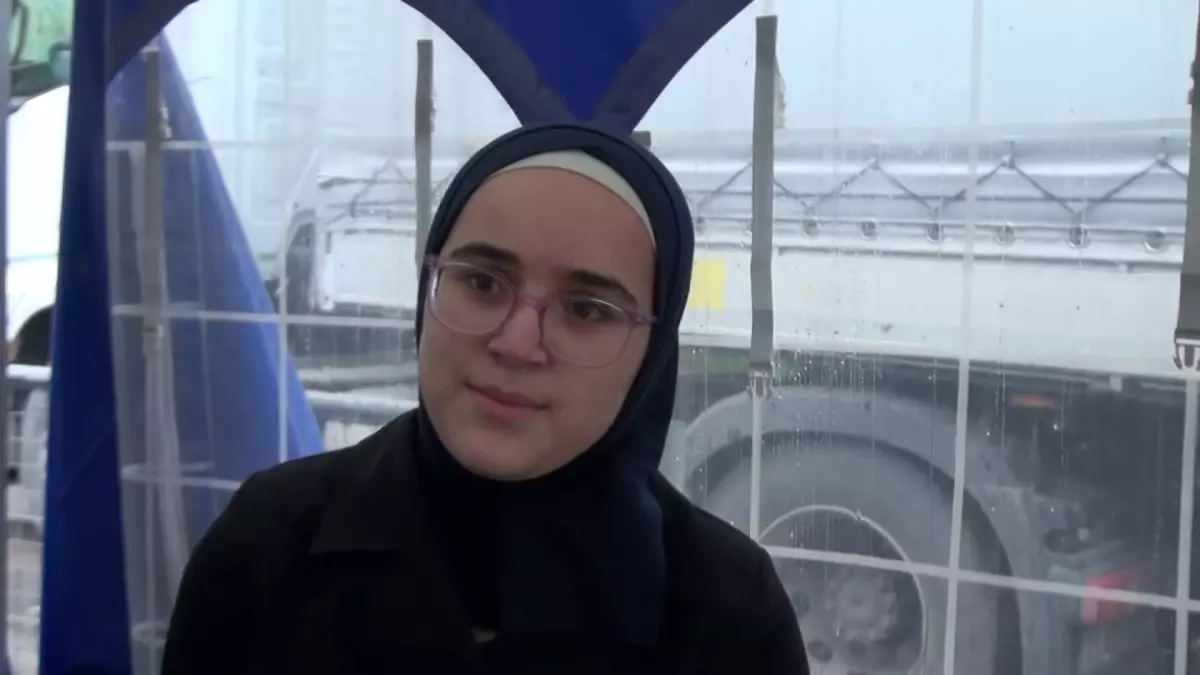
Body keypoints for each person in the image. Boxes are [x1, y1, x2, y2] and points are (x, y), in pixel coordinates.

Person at [161, 123, 809, 674]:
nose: (517, 342)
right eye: (482, 282)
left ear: (653, 354)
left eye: (587, 309)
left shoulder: (727, 611)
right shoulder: (271, 542)